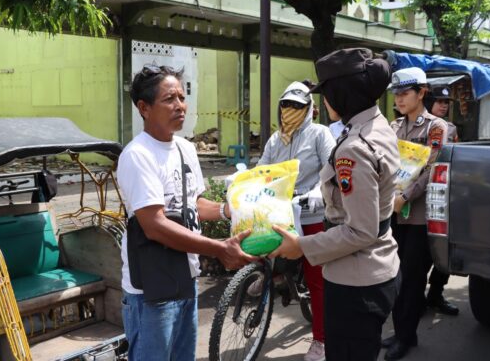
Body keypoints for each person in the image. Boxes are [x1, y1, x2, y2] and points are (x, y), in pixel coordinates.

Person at [116, 64, 256, 361]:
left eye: (182, 96)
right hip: (151, 290)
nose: (180, 105)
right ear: (144, 107)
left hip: (185, 278)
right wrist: (219, 248)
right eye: (169, 99)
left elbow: (194, 206)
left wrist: (229, 211)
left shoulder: (185, 149)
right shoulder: (137, 155)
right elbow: (154, 225)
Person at [270, 48, 401, 361]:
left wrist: (301, 246)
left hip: (355, 280)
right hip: (378, 268)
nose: (323, 101)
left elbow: (361, 231)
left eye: (325, 92)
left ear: (340, 93)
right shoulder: (377, 125)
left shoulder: (353, 149)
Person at [255, 80, 336, 361]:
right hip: (279, 210)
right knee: (253, 240)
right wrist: (241, 181)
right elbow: (261, 168)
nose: (290, 111)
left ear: (309, 108)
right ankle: (266, 273)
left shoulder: (319, 134)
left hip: (310, 211)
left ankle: (321, 340)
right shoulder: (276, 139)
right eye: (286, 105)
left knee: (317, 281)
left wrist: (317, 191)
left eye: (297, 106)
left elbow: (332, 167)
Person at [383, 67, 449, 360]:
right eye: (396, 93)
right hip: (393, 212)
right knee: (393, 275)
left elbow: (431, 169)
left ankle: (405, 336)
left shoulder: (435, 128)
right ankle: (400, 330)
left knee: (411, 277)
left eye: (405, 93)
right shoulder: (393, 127)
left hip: (419, 215)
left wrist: (405, 196)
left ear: (421, 92)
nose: (399, 98)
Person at [422, 87, 459, 316]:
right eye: (439, 101)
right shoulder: (418, 125)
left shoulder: (452, 128)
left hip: (441, 196)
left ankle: (435, 295)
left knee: (442, 250)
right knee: (417, 256)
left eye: (447, 102)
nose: (444, 105)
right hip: (416, 197)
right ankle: (413, 299)